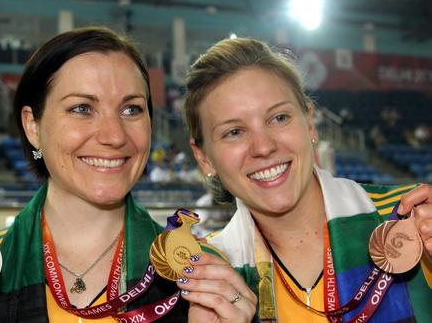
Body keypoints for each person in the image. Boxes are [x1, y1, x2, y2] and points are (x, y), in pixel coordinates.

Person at [0, 27, 256, 322]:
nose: (114, 136)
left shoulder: (206, 276)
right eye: (82, 108)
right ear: (33, 126)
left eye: (131, 110)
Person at [184, 37, 432, 322]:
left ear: (310, 123)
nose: (263, 147)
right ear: (203, 157)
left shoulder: (408, 219)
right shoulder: (205, 275)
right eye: (234, 132)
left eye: (278, 118)